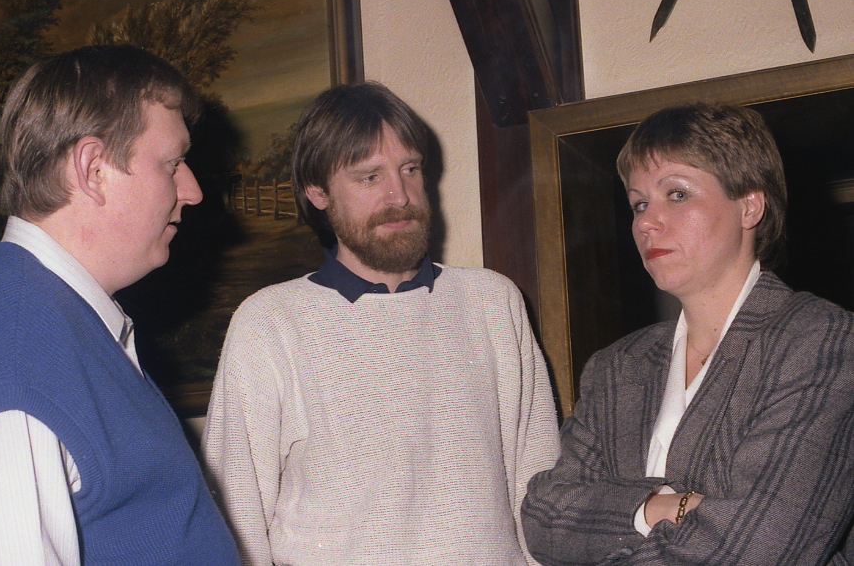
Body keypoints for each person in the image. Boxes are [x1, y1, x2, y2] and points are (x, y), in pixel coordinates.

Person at [202, 81, 559, 566]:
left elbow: (540, 490)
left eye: (409, 169)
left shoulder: (493, 302)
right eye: (369, 177)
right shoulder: (269, 323)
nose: (400, 196)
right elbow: (235, 518)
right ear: (317, 192)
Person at [521, 102, 854, 565]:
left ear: (750, 206)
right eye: (639, 203)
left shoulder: (822, 341)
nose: (645, 221)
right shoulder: (617, 366)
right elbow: (543, 517)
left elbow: (749, 550)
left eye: (676, 194)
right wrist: (663, 507)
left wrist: (609, 516)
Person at [0, 45, 241, 566]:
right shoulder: (17, 355)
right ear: (93, 169)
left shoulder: (49, 316)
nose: (193, 190)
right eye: (173, 163)